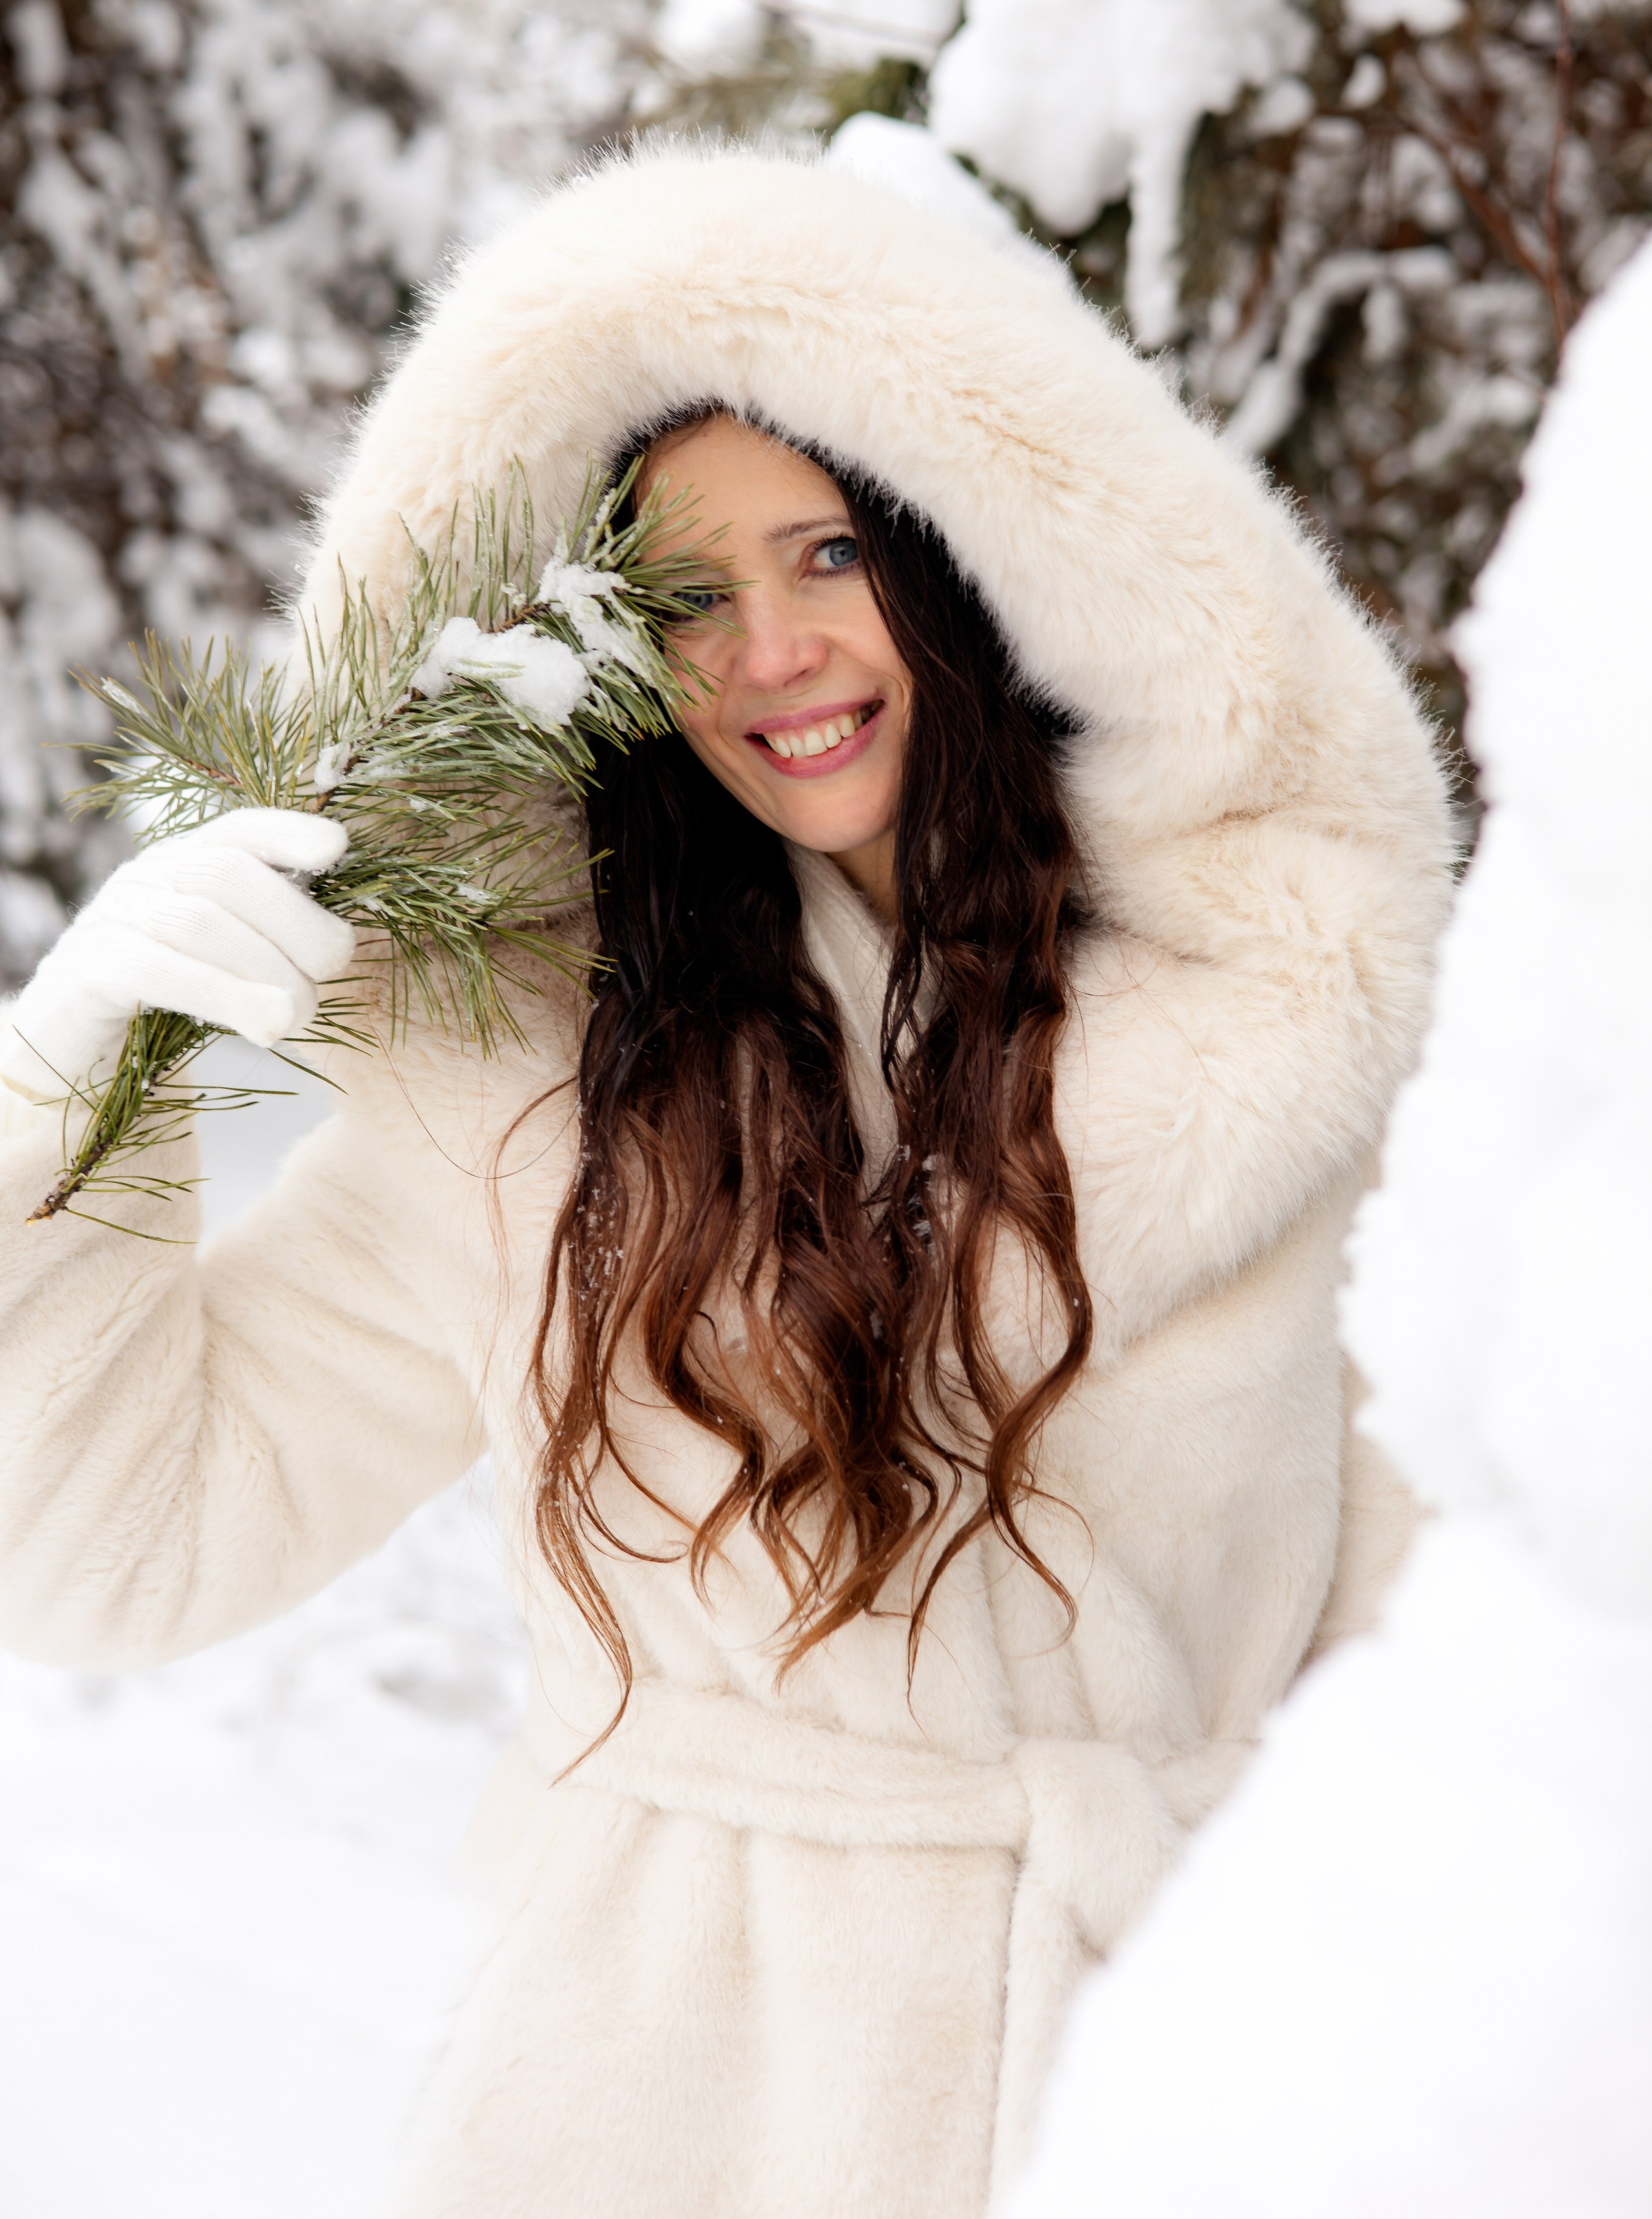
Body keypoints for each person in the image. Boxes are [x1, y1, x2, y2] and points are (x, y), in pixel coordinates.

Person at [0, 145, 1455, 2219]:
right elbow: (108, 1549)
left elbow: (1469, 1674)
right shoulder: (534, 1104)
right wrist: (74, 1093)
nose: (769, 649)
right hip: (664, 2119)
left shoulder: (1297, 1048)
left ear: (978, 550)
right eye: (686, 595)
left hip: (1190, 2097)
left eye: (828, 552)